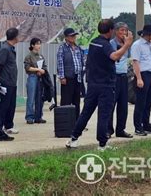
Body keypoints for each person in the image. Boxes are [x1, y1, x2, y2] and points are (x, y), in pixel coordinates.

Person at [66, 19, 133, 150]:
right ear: (111, 31)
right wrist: (127, 45)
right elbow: (114, 57)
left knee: (86, 112)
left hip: (92, 84)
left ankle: (73, 139)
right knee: (104, 115)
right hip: (106, 85)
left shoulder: (93, 42)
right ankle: (102, 144)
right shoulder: (105, 45)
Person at [132, 24, 151, 136]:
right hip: (142, 74)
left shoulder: (150, 45)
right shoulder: (137, 45)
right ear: (147, 35)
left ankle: (146, 123)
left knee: (148, 102)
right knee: (140, 102)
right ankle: (138, 126)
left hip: (150, 73)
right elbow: (135, 61)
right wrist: (139, 78)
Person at [108, 22, 133, 138]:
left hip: (124, 76)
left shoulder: (127, 44)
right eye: (121, 30)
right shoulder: (111, 44)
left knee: (123, 105)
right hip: (114, 76)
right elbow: (114, 57)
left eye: (125, 31)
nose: (123, 33)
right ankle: (108, 130)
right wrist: (126, 45)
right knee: (111, 104)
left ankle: (120, 129)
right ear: (116, 31)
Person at [56, 28, 84, 120]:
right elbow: (60, 63)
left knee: (77, 100)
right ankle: (65, 122)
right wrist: (62, 76)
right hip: (67, 78)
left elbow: (81, 61)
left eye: (74, 35)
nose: (73, 37)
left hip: (78, 77)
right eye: (71, 36)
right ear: (66, 37)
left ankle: (76, 122)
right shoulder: (62, 48)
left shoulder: (78, 48)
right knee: (66, 100)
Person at [0, 27, 19, 134]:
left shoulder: (11, 49)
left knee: (11, 105)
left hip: (12, 81)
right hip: (5, 81)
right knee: (4, 105)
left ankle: (9, 125)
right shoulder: (5, 49)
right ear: (15, 37)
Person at [24, 38, 47, 124]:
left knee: (40, 97)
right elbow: (27, 68)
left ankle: (38, 116)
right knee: (31, 97)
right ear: (32, 45)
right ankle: (29, 117)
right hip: (32, 77)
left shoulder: (41, 56)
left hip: (40, 78)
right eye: (37, 44)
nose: (39, 46)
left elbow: (44, 67)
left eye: (39, 44)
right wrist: (37, 70)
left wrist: (43, 71)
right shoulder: (29, 56)